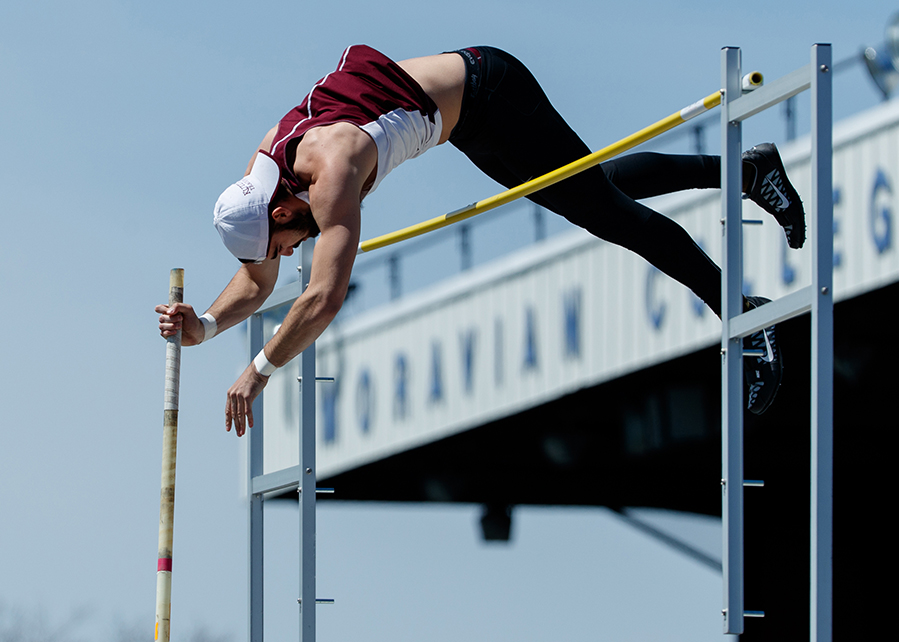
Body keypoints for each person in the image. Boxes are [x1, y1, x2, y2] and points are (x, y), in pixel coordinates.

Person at [156, 45, 805, 435]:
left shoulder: (333, 171)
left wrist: (259, 369)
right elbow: (259, 279)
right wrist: (208, 325)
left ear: (283, 208)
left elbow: (323, 298)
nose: (291, 251)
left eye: (287, 241)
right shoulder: (261, 183)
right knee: (598, 190)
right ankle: (749, 172)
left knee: (607, 214)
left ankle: (743, 313)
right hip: (468, 119)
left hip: (493, 91)